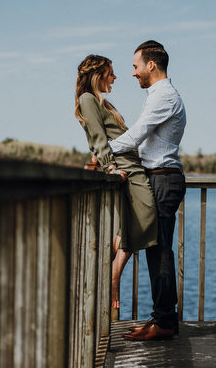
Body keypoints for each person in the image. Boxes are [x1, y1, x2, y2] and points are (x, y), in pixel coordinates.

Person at [109, 41, 186, 341]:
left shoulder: (164, 96)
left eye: (135, 66)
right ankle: (161, 318)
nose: (133, 73)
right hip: (158, 178)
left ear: (151, 65)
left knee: (160, 251)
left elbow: (136, 134)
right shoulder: (158, 95)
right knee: (157, 250)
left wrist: (101, 151)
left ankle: (165, 322)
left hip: (163, 179)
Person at [75, 54, 158, 310]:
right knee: (147, 217)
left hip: (132, 166)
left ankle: (103, 271)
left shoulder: (103, 102)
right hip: (123, 168)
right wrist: (110, 166)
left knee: (131, 223)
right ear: (98, 74)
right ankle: (112, 275)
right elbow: (98, 137)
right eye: (111, 72)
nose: (115, 77)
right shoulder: (88, 99)